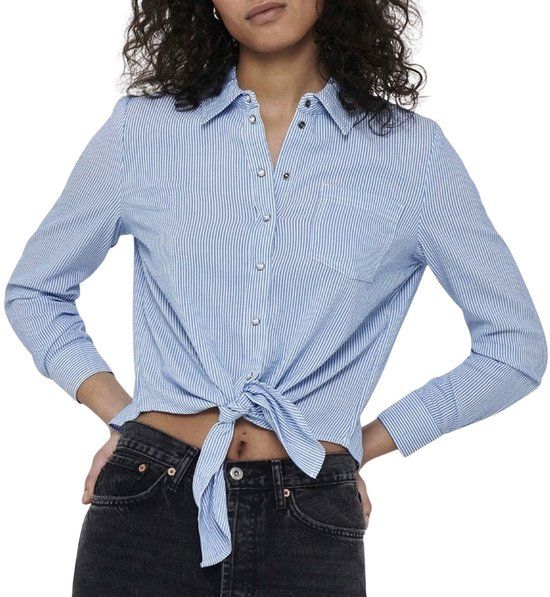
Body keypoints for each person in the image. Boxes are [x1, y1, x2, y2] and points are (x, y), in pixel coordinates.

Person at [4, 1, 547, 595]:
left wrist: (357, 446)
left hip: (310, 515)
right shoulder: (145, 132)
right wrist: (124, 415)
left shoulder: (412, 155)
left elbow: (513, 348)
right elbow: (36, 290)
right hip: (149, 499)